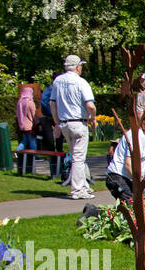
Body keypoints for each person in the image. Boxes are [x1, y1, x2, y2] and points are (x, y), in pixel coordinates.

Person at [50, 55, 97, 200]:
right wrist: (93, 118)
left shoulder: (58, 81)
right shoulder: (81, 82)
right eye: (80, 66)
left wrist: (57, 122)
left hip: (64, 123)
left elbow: (52, 103)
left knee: (76, 156)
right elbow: (90, 105)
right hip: (78, 123)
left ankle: (83, 186)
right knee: (78, 158)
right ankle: (77, 190)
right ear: (77, 67)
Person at [38, 75, 64, 180]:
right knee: (56, 142)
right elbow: (45, 103)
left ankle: (56, 164)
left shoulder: (48, 90)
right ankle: (56, 165)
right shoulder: (54, 89)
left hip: (49, 117)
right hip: (53, 117)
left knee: (52, 142)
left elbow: (43, 103)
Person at [15, 84, 40, 175]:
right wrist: (38, 123)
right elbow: (34, 115)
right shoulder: (30, 102)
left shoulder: (20, 102)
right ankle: (34, 155)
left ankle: (17, 150)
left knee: (25, 140)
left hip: (22, 125)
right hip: (30, 125)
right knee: (32, 140)